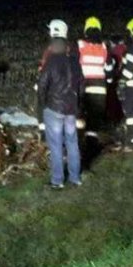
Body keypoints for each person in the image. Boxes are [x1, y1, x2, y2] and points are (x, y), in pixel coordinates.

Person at [37, 19, 85, 189]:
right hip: (71, 109)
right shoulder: (74, 61)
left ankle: (57, 181)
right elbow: (81, 86)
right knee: (72, 143)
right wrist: (78, 106)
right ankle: (75, 178)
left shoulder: (51, 61)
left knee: (56, 145)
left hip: (54, 108)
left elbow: (42, 86)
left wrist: (42, 107)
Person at [76, 16, 115, 141]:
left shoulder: (80, 45)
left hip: (83, 86)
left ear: (86, 30)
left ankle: (77, 142)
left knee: (80, 115)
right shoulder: (104, 47)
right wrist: (109, 80)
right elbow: (109, 68)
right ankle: (91, 144)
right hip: (99, 87)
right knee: (95, 119)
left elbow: (73, 65)